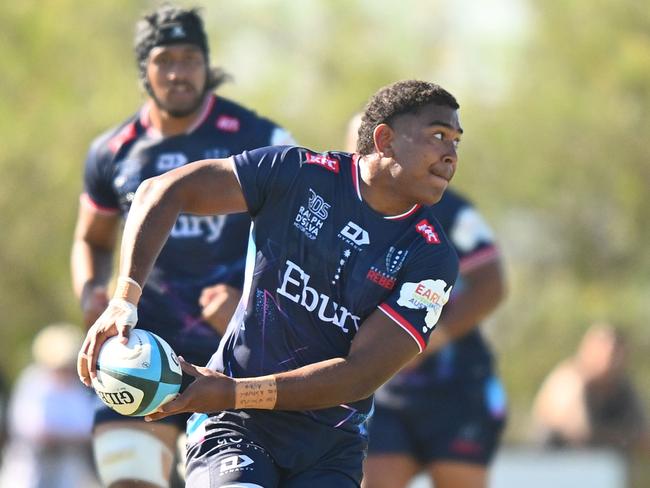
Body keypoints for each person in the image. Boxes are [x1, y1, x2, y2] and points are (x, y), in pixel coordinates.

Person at [77, 79, 463, 487]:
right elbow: (162, 191)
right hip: (235, 428)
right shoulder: (297, 174)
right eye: (439, 135)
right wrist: (124, 300)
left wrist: (231, 391)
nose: (451, 154)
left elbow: (359, 375)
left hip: (330, 447)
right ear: (384, 139)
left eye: (456, 141)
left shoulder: (431, 258)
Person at [70, 5, 295, 487]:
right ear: (144, 71)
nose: (178, 72)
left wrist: (257, 308)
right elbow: (90, 238)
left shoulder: (261, 138)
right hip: (137, 350)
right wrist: (91, 289)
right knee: (130, 481)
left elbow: (304, 237)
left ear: (207, 64)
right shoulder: (111, 151)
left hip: (232, 359)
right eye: (164, 59)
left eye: (190, 58)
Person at [341, 113, 508, 488]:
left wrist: (430, 342)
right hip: (383, 391)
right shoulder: (340, 212)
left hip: (455, 386)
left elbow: (491, 284)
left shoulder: (449, 208)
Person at [0, 323, 99, 488]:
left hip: (68, 470)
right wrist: (70, 436)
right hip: (30, 470)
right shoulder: (33, 382)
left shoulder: (76, 388)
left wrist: (64, 436)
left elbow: (88, 429)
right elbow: (35, 430)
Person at [532, 322, 648, 453]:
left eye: (618, 352)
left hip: (607, 464)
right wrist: (623, 437)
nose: (614, 359)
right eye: (609, 351)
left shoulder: (623, 388)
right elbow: (579, 432)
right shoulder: (569, 381)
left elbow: (643, 436)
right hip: (559, 462)